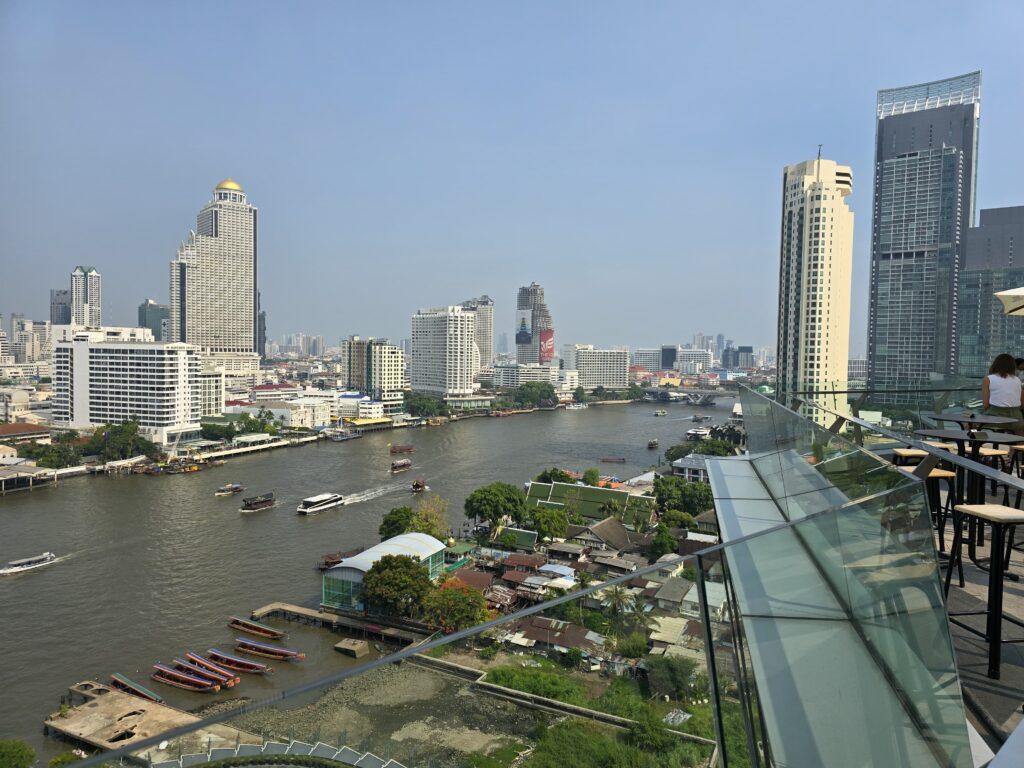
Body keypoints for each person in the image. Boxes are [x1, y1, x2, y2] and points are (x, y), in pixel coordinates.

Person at [983, 353, 1024, 435]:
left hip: (995, 417)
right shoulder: (1018, 380)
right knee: (1019, 437)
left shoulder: (988, 379)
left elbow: (985, 405)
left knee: (969, 425)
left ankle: (972, 446)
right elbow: (1022, 404)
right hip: (1016, 418)